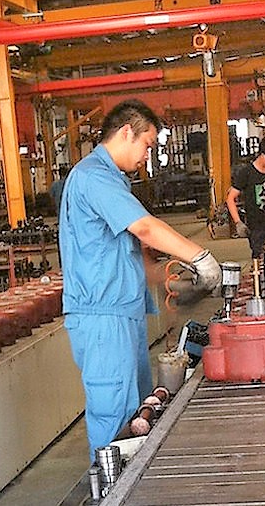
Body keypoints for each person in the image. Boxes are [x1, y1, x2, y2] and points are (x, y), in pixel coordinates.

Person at [59, 99, 221, 458]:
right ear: (126, 132)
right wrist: (200, 257)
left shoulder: (113, 180)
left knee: (138, 413)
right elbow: (145, 228)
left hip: (122, 314)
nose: (148, 155)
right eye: (147, 145)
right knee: (114, 417)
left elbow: (123, 255)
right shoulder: (93, 177)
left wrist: (166, 279)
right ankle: (109, 488)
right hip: (104, 320)